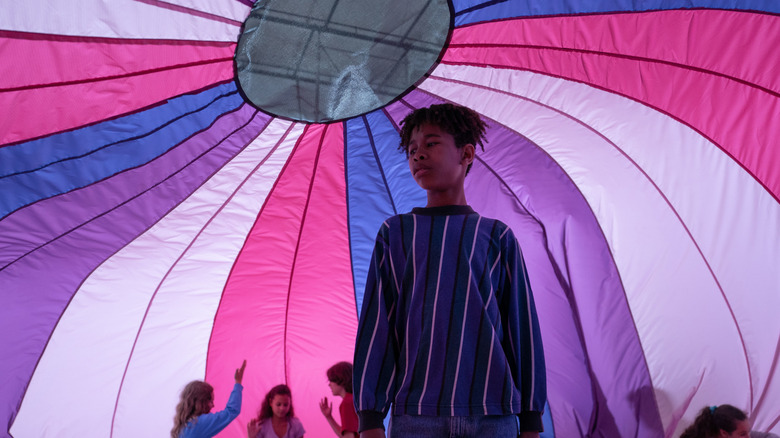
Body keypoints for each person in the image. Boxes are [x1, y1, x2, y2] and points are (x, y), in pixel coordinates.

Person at [352, 103, 547, 438]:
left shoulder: (496, 237)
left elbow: (522, 328)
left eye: (431, 143)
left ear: (466, 153)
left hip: (492, 415)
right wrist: (370, 418)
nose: (418, 155)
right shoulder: (395, 234)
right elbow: (377, 325)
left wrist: (530, 419)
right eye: (412, 149)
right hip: (415, 417)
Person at [172, 360, 247, 438]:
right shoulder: (199, 423)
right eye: (211, 400)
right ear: (201, 401)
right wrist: (238, 383)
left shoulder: (184, 426)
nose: (213, 405)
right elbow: (232, 411)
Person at [319, 361, 359, 438]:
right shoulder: (354, 400)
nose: (329, 384)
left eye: (331, 380)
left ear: (341, 380)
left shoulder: (346, 403)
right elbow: (347, 433)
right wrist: (329, 417)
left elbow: (349, 437)